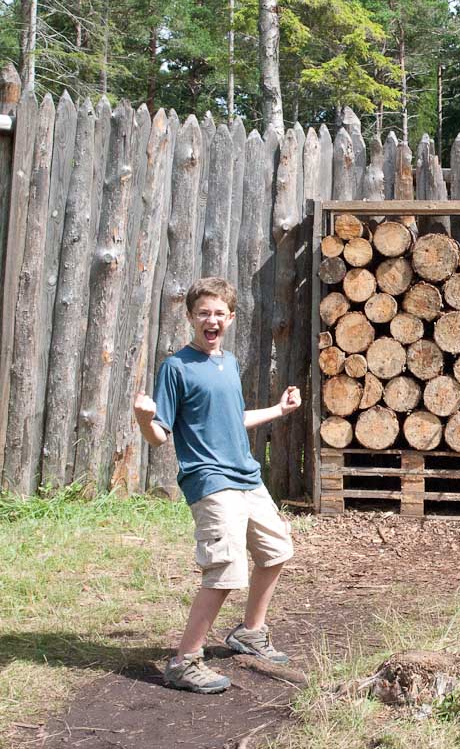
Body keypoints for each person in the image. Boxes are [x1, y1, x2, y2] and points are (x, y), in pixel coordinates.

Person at [133, 276, 301, 694]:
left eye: (219, 313)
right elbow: (159, 434)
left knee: (276, 550)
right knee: (225, 570)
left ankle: (250, 633)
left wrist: (278, 410)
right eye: (204, 313)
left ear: (231, 318)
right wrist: (143, 419)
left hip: (246, 475)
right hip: (210, 479)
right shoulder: (176, 367)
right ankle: (185, 661)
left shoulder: (228, 363)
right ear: (191, 317)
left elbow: (234, 419)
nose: (212, 320)